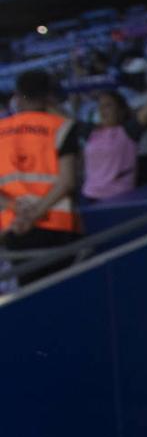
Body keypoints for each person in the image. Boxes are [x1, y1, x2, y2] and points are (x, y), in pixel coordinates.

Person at [0, 69, 80, 284]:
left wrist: (17, 210)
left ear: (17, 95)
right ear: (48, 95)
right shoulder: (62, 127)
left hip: (14, 228)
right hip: (57, 227)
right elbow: (67, 181)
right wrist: (35, 214)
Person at [79, 89, 145, 202]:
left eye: (108, 105)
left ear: (121, 111)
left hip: (119, 196)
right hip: (89, 195)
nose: (102, 110)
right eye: (100, 106)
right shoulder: (91, 131)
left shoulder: (129, 131)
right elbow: (63, 117)